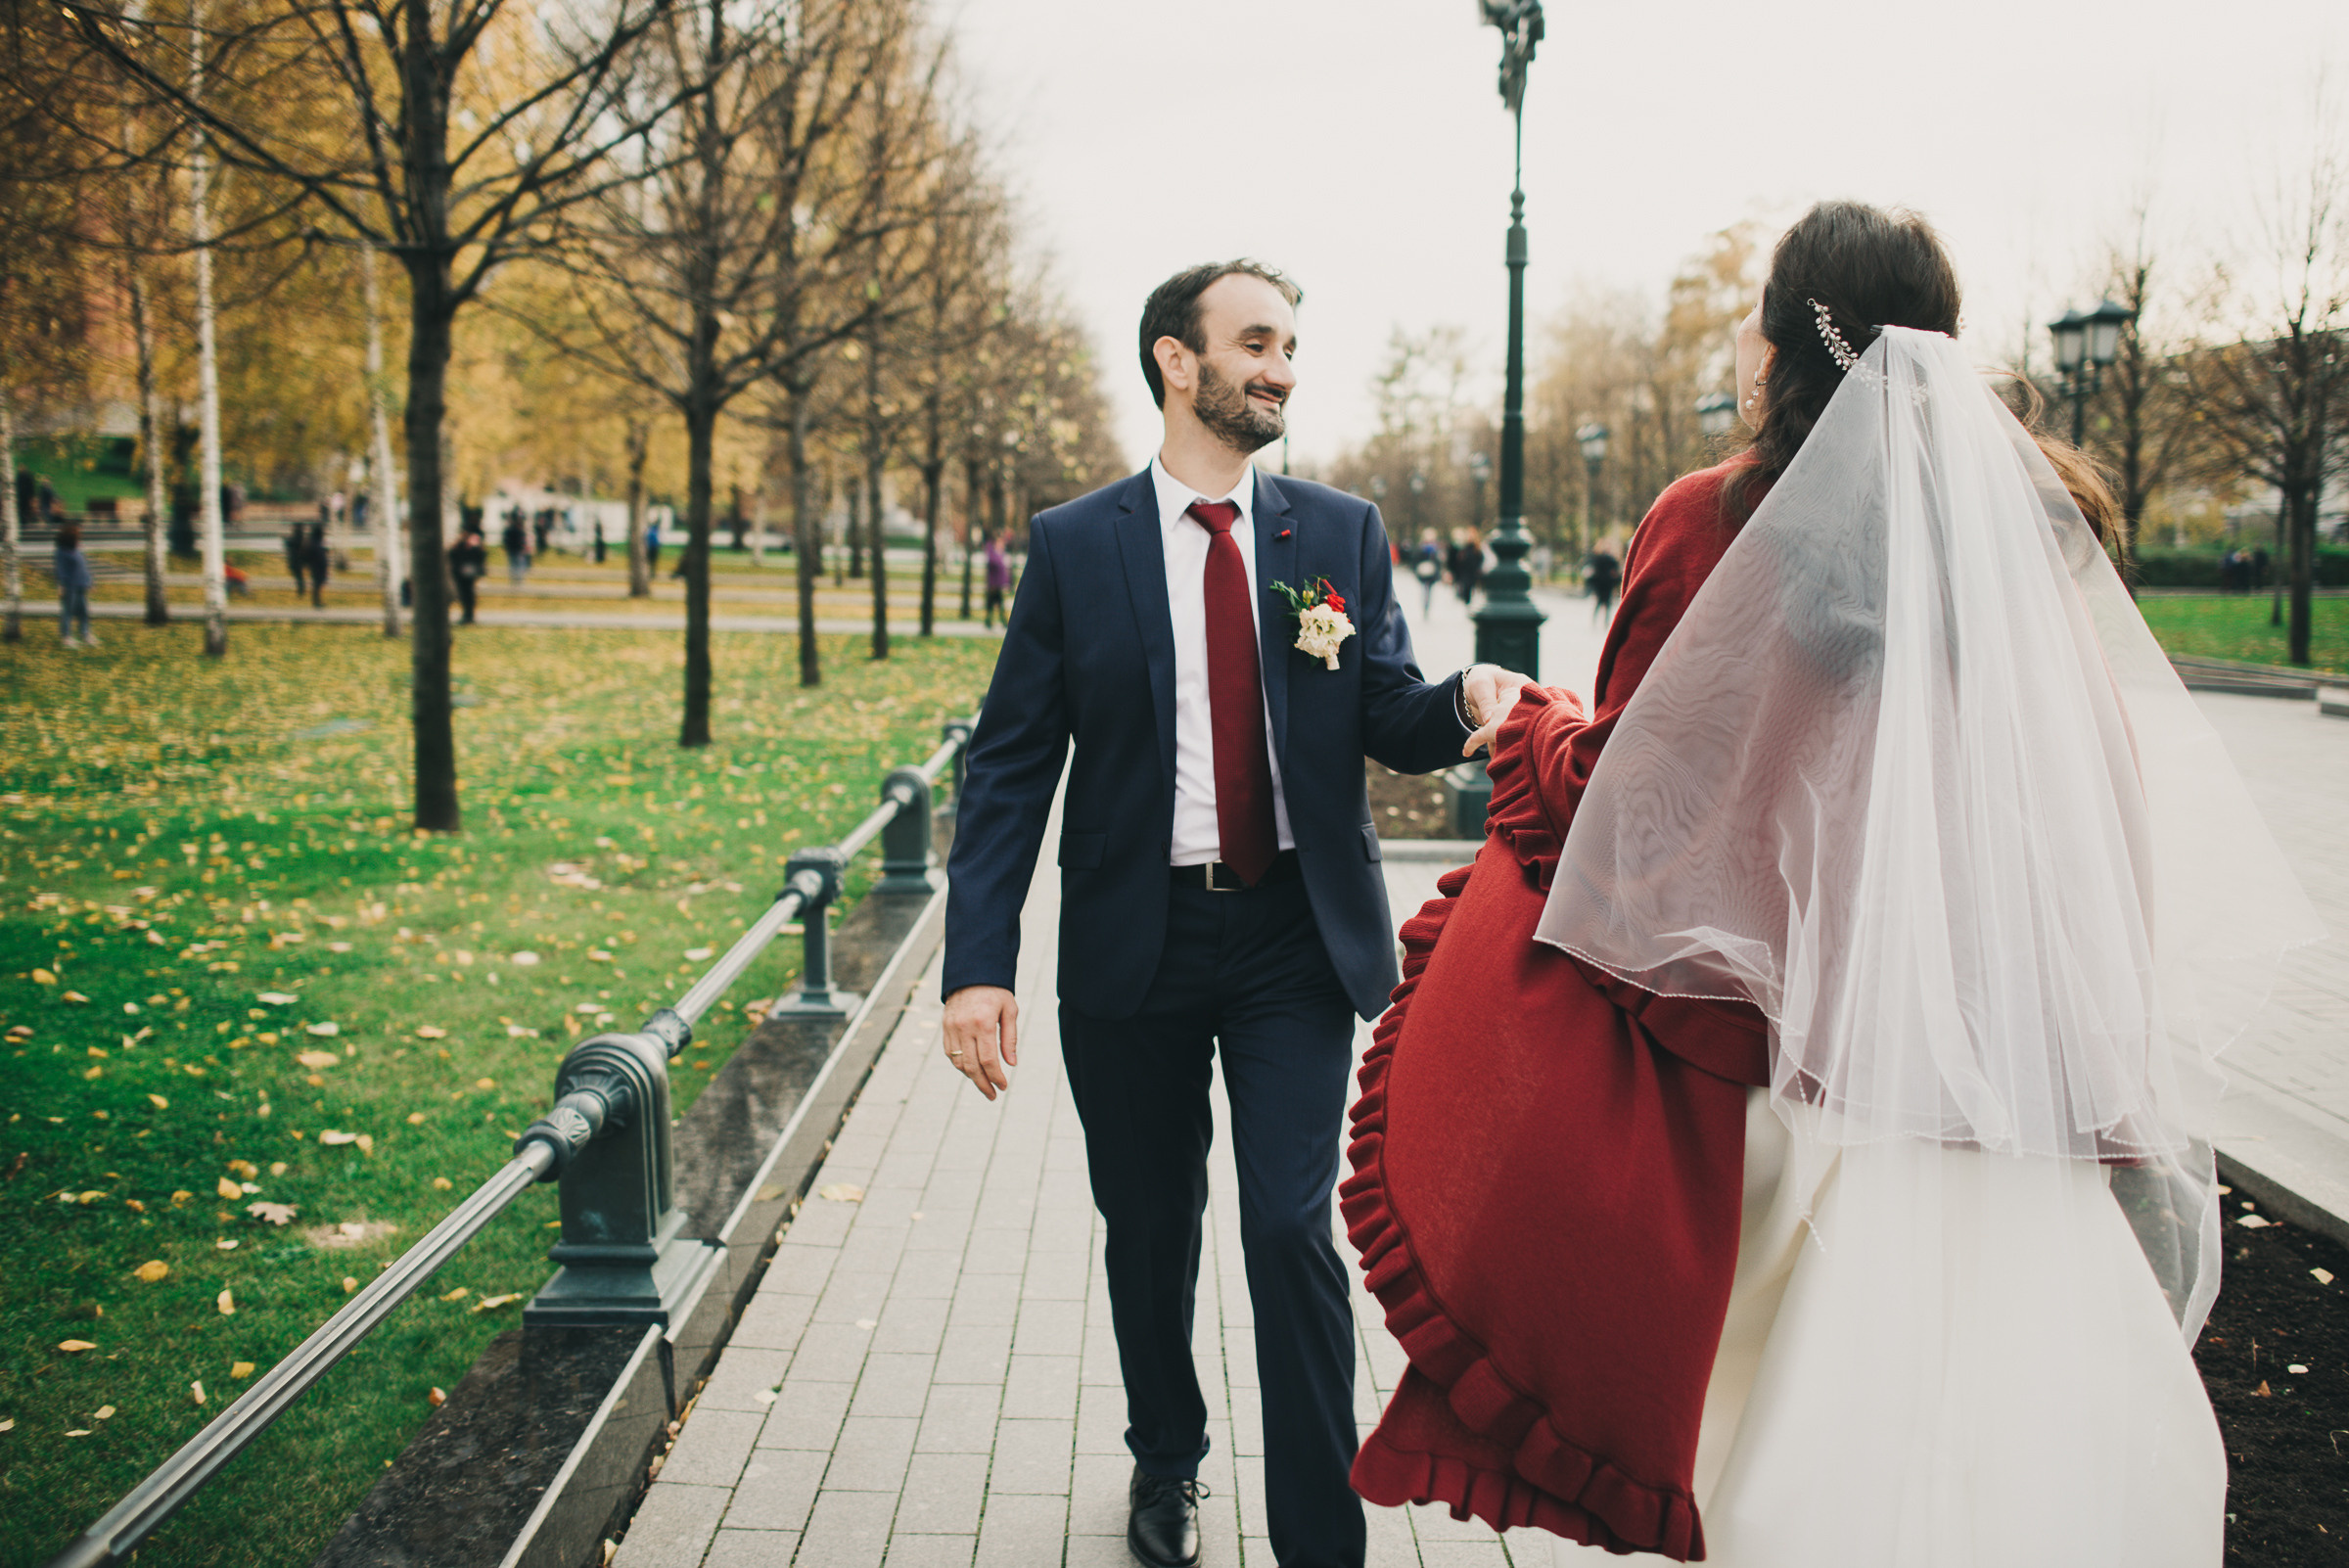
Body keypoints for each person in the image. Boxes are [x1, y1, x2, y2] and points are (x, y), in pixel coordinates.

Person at [1343, 202, 2315, 1568]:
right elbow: (2091, 798)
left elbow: (1641, 798)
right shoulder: (2018, 529)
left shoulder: (1720, 514)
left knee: (1800, 1442)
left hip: (1796, 1078)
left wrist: (1528, 722)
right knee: (2018, 1443)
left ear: (1786, 340)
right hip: (1987, 1068)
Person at [940, 258, 1527, 1568]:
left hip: (1290, 942)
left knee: (1285, 1222)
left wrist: (1467, 695)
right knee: (1151, 1231)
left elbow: (1381, 706)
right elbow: (1011, 761)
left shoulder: (1337, 533)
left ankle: (1324, 1537)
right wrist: (977, 963)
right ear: (1175, 359)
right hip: (1129, 944)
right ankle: (1167, 1455)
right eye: (1255, 342)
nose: (1281, 366)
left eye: (1290, 345)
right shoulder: (1075, 546)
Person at [53, 522, 94, 647]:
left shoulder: (77, 549)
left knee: (83, 611)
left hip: (81, 584)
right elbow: (60, 569)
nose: (80, 537)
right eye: (77, 535)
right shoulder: (61, 552)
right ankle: (66, 636)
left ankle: (85, 633)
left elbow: (84, 567)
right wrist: (61, 585)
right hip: (69, 586)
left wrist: (90, 582)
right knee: (68, 611)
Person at [448, 527, 487, 624]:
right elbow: (451, 556)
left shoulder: (476, 547)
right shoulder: (458, 546)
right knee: (463, 595)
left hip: (470, 574)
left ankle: (470, 615)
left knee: (469, 595)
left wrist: (476, 546)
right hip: (460, 574)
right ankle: (466, 615)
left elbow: (481, 557)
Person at [1447, 526, 1484, 609]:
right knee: (1465, 588)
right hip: (1464, 571)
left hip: (1472, 571)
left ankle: (1468, 603)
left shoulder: (1477, 547)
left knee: (1469, 588)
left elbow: (1480, 558)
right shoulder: (1463, 547)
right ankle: (1466, 603)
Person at [1583, 543, 1620, 621]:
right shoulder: (1611, 560)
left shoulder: (1597, 559)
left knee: (1599, 602)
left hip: (1601, 584)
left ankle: (1596, 620)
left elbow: (1594, 571)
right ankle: (1605, 621)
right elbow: (1615, 573)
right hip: (1607, 584)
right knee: (1606, 604)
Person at [1411, 529, 1444, 617]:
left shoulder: (1434, 548)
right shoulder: (1422, 548)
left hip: (1431, 574)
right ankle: (1425, 605)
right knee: (1426, 590)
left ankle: (1426, 606)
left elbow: (1438, 562)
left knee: (1428, 591)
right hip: (1424, 573)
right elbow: (1416, 560)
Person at [981, 532, 1009, 626]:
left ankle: (992, 621)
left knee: (996, 604)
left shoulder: (1001, 555)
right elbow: (992, 562)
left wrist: (1006, 583)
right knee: (994, 604)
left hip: (998, 585)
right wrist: (990, 544)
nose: (1002, 545)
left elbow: (1003, 572)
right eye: (1000, 543)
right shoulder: (993, 555)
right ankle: (997, 621)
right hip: (993, 585)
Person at [304, 521, 332, 606]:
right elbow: (319, 555)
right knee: (318, 584)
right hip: (318, 566)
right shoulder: (316, 543)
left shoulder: (314, 542)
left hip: (316, 566)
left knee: (318, 584)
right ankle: (316, 602)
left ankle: (317, 601)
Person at [501, 510, 530, 585]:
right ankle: (516, 581)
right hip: (515, 550)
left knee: (516, 566)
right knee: (516, 566)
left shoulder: (513, 529)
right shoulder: (515, 529)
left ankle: (516, 581)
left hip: (516, 550)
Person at [284, 524, 311, 596]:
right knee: (299, 576)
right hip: (300, 560)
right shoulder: (302, 537)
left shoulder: (296, 537)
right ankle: (301, 590)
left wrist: (285, 539)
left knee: (298, 576)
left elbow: (289, 543)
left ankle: (301, 591)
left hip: (296, 560)